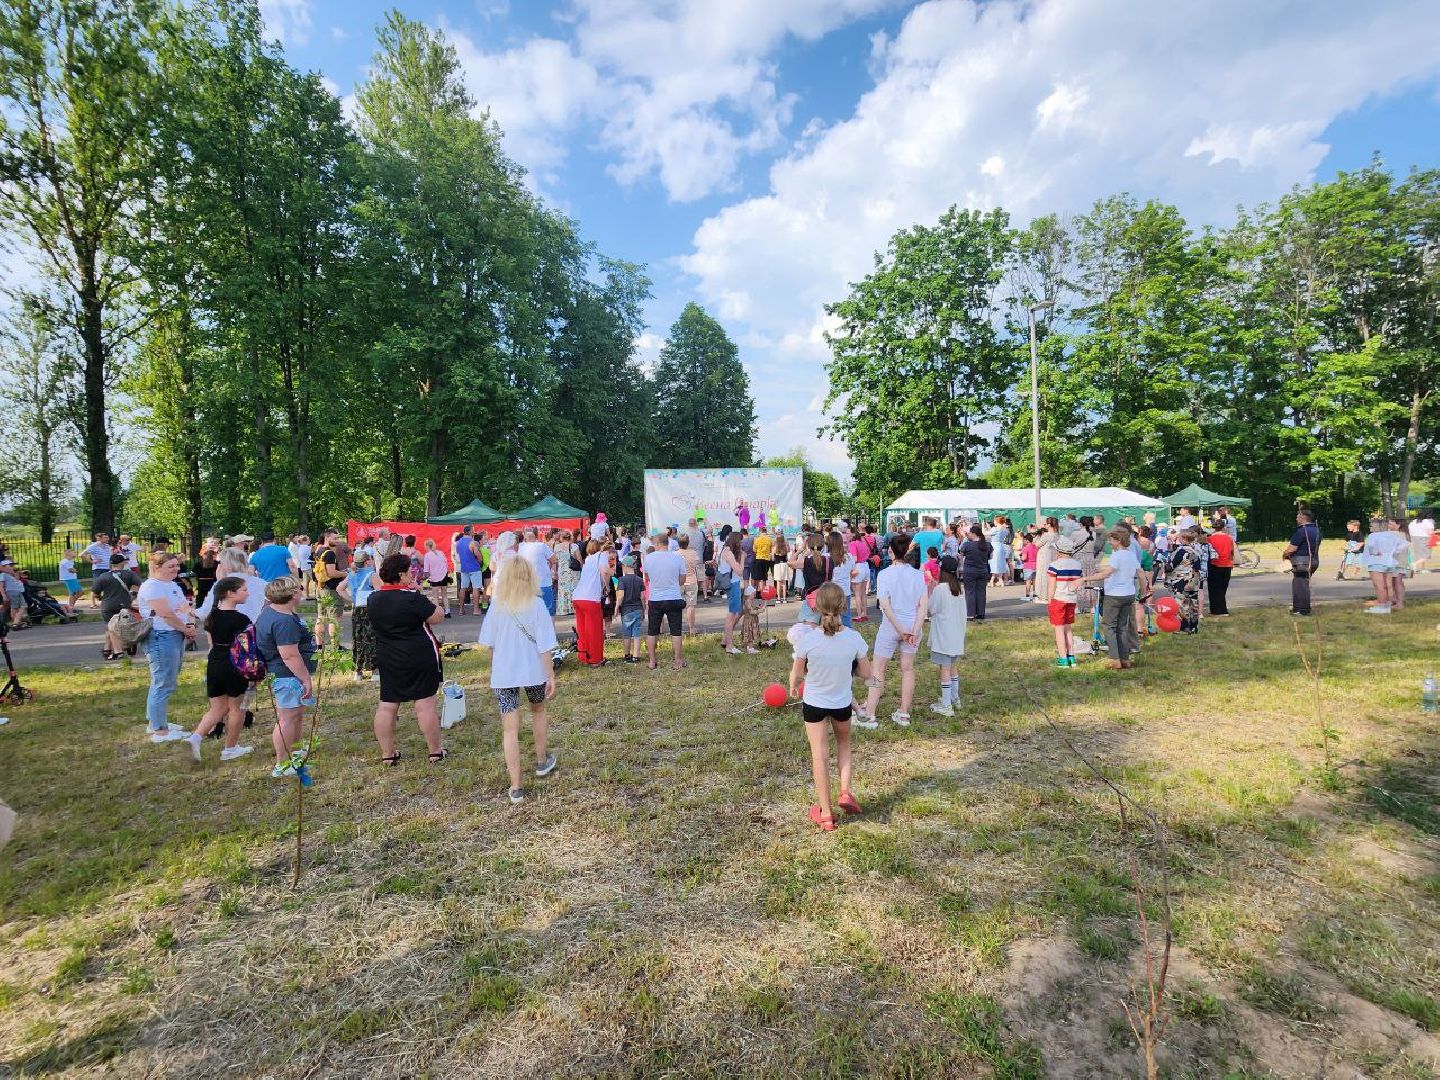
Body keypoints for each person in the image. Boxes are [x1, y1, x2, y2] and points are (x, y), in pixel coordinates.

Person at [788, 582, 871, 832]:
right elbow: (867, 674)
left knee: (819, 756)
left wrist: (793, 686)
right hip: (842, 703)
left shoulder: (809, 640)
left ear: (817, 607)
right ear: (844, 606)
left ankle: (825, 814)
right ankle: (845, 792)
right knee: (843, 745)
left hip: (814, 703)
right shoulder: (854, 638)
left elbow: (798, 673)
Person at [478, 554, 558, 803]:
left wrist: (497, 668)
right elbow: (545, 646)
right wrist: (550, 675)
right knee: (538, 711)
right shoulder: (536, 605)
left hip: (505, 675)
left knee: (509, 729)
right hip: (533, 671)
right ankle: (542, 760)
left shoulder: (497, 606)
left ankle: (516, 786)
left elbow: (488, 645)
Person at [366, 552, 447, 765]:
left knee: (387, 705)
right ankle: (435, 751)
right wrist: (423, 594)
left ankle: (388, 753)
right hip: (418, 654)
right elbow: (438, 616)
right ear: (401, 575)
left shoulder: (373, 599)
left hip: (389, 656)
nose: (413, 574)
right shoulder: (411, 598)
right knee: (425, 704)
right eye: (410, 571)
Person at [858, 534, 927, 729]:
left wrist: (900, 628)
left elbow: (885, 606)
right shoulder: (918, 574)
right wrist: (913, 629)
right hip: (912, 626)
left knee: (878, 669)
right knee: (908, 668)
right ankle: (904, 713)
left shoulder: (885, 574)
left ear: (891, 551)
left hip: (891, 626)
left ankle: (870, 714)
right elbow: (923, 606)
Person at [185, 576, 255, 763]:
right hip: (234, 663)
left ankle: (196, 737)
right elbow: (248, 647)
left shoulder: (212, 616)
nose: (247, 593)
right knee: (237, 707)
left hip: (215, 661)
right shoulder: (241, 619)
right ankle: (230, 748)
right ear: (230, 593)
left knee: (218, 707)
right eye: (243, 590)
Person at [254, 576, 317, 778]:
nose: (301, 591)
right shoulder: (283, 622)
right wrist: (305, 678)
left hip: (286, 675)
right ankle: (282, 763)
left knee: (295, 715)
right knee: (287, 719)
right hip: (287, 675)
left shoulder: (273, 612)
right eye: (299, 589)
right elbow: (289, 655)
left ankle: (295, 750)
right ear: (291, 595)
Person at [137, 551, 195, 743]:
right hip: (161, 636)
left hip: (174, 634)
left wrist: (190, 623)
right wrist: (185, 629)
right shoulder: (152, 586)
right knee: (163, 681)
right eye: (171, 566)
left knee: (166, 678)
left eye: (177, 565)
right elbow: (165, 614)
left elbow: (184, 607)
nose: (176, 569)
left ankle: (155, 720)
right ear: (156, 567)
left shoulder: (171, 585)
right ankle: (159, 730)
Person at [1082, 528, 1141, 670]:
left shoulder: (1117, 555)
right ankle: (1125, 659)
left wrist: (1084, 579)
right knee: (1122, 627)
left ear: (1118, 540)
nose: (1109, 542)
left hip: (1115, 595)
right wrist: (1145, 590)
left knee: (1109, 626)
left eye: (1111, 540)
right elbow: (1140, 573)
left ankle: (1115, 659)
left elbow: (1107, 574)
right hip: (1129, 594)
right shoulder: (1131, 555)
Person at [927, 556, 968, 716]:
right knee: (952, 666)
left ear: (942, 571)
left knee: (944, 668)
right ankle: (954, 698)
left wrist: (930, 590)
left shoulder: (940, 589)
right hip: (956, 634)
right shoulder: (959, 589)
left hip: (943, 635)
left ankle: (945, 705)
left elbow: (931, 609)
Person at [642, 531, 687, 670]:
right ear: (667, 543)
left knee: (652, 631)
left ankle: (652, 661)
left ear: (656, 544)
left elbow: (647, 577)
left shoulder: (648, 558)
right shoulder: (677, 558)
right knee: (676, 630)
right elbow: (682, 579)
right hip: (673, 596)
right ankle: (678, 661)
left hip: (655, 597)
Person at [338, 551, 378, 680]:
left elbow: (340, 588)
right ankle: (374, 671)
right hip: (370, 609)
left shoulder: (351, 574)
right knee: (372, 638)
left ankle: (358, 671)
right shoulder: (371, 575)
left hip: (357, 610)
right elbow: (380, 593)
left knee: (358, 638)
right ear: (367, 561)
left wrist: (351, 599)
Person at [572, 540, 610, 666]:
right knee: (594, 630)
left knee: (582, 629)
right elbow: (604, 570)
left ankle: (584, 655)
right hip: (591, 597)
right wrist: (607, 585)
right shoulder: (602, 556)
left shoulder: (588, 559)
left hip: (577, 596)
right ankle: (595, 659)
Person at [95, 553, 141, 659]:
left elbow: (95, 593)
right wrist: (133, 595)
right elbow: (139, 586)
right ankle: (118, 651)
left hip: (107, 606)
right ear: (123, 563)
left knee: (110, 628)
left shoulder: (103, 576)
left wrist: (101, 599)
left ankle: (107, 650)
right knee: (119, 628)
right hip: (124, 605)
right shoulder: (129, 574)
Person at [1046, 535, 1082, 667]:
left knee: (1059, 629)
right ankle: (1071, 656)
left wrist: (1049, 600)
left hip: (1058, 598)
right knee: (1068, 628)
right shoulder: (1077, 564)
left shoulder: (1055, 565)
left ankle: (1062, 658)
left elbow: (1051, 585)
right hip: (1071, 599)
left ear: (1059, 551)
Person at [1362, 518, 1408, 615]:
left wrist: (1376, 553)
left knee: (1379, 586)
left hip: (1376, 563)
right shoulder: (1390, 535)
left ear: (1377, 526)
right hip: (1389, 563)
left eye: (1372, 525)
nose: (1370, 527)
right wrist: (1392, 552)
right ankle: (1387, 605)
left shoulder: (1373, 535)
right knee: (1388, 585)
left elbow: (1371, 547)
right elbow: (1404, 544)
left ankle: (1381, 606)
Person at [1282, 509, 1321, 616]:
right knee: (1302, 583)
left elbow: (1291, 549)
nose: (1296, 519)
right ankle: (1298, 608)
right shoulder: (1317, 530)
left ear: (1303, 518)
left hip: (1301, 562)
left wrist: (1284, 555)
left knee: (1300, 585)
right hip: (1314, 560)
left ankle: (1303, 609)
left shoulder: (1301, 531)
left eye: (1298, 516)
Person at [312, 532, 344, 650]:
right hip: (330, 589)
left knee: (321, 617)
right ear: (326, 538)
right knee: (334, 618)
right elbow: (331, 573)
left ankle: (319, 646)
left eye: (337, 538)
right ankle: (335, 647)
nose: (336, 540)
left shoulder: (318, 550)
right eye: (334, 538)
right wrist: (346, 573)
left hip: (320, 587)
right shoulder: (330, 553)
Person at [718, 532, 747, 655]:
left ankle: (726, 640)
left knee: (737, 612)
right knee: (731, 615)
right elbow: (739, 571)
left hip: (731, 583)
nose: (742, 544)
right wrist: (743, 558)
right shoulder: (729, 553)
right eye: (740, 542)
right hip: (733, 584)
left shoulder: (724, 550)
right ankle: (729, 645)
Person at [518, 528, 557, 615]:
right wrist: (551, 570)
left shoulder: (520, 547)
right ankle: (549, 628)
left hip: (526, 584)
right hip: (543, 583)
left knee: (528, 613)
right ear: (536, 535)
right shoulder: (542, 546)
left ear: (524, 536)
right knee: (548, 612)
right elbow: (554, 560)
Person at [614, 556, 645, 663]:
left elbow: (621, 595)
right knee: (636, 633)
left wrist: (617, 607)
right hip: (638, 608)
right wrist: (644, 609)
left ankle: (627, 655)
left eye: (622, 565)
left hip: (626, 610)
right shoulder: (640, 580)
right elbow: (642, 597)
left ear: (626, 566)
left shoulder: (622, 580)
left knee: (626, 634)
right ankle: (636, 656)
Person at [958, 525, 991, 621]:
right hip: (983, 570)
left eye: (969, 533)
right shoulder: (987, 544)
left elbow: (961, 557)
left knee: (970, 592)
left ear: (973, 534)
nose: (968, 535)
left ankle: (971, 613)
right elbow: (991, 556)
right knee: (981, 591)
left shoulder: (967, 545)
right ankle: (981, 613)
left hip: (969, 571)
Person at [1205, 524, 1235, 617]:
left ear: (1213, 528)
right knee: (1223, 587)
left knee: (1214, 588)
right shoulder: (1229, 538)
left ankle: (1216, 610)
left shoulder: (1210, 539)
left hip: (1215, 564)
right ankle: (1222, 609)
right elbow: (1232, 551)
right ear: (1223, 527)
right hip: (1227, 564)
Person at [454, 525, 484, 615]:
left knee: (463, 588)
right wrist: (480, 561)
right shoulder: (473, 542)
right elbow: (478, 555)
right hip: (474, 567)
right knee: (476, 588)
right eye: (473, 530)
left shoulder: (458, 542)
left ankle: (461, 609)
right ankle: (476, 610)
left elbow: (459, 553)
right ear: (471, 531)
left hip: (464, 568)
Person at [678, 534, 702, 635]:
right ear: (688, 543)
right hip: (691, 580)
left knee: (677, 606)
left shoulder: (675, 554)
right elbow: (697, 563)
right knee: (690, 606)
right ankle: (692, 628)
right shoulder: (694, 553)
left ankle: (677, 628)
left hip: (678, 581)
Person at [555, 530, 580, 618]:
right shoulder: (574, 546)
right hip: (573, 571)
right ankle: (574, 608)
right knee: (574, 589)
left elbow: (555, 561)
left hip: (562, 571)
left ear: (561, 537)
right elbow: (579, 559)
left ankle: (564, 609)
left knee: (563, 590)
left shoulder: (557, 547)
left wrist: (555, 571)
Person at [1034, 518, 1058, 604]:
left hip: (1043, 556)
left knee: (1042, 575)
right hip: (1053, 556)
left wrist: (1036, 534)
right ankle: (1050, 595)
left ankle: (1043, 597)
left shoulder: (1046, 535)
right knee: (1051, 575)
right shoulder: (1057, 534)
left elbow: (1037, 544)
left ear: (1049, 525)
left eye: (1045, 524)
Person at [195, 538, 221, 608]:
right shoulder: (217, 563)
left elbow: (194, 572)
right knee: (213, 598)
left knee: (200, 597)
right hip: (212, 582)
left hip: (201, 583)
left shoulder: (199, 563)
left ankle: (198, 610)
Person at [57, 548, 80, 614]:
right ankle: (71, 607)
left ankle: (71, 606)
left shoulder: (70, 561)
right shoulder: (65, 561)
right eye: (73, 552)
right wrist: (75, 570)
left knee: (77, 592)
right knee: (74, 593)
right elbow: (71, 570)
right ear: (68, 554)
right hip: (69, 579)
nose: (75, 553)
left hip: (72, 578)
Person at [751, 524, 774, 588]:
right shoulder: (770, 540)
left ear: (760, 531)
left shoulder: (757, 539)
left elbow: (754, 550)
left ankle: (760, 591)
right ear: (766, 531)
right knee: (764, 577)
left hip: (759, 558)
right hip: (767, 559)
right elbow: (772, 550)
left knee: (759, 577)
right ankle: (764, 592)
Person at [1020, 533, 1038, 602]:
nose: (1023, 541)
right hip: (1035, 565)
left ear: (1027, 540)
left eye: (1024, 540)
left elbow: (1024, 558)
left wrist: (1021, 557)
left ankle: (1027, 595)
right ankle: (1034, 595)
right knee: (1034, 581)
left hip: (1028, 566)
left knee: (1028, 581)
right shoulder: (1035, 547)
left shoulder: (1025, 548)